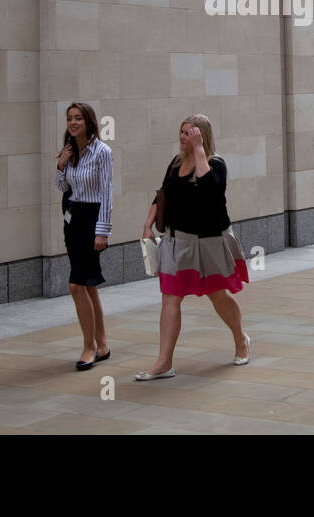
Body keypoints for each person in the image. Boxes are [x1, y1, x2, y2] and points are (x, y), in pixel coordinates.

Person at [136, 114, 249, 380]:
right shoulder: (175, 163)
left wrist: (199, 150)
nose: (183, 136)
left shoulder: (215, 164)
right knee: (170, 297)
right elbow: (162, 195)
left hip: (209, 241)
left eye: (190, 133)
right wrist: (147, 224)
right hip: (177, 241)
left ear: (202, 136)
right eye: (182, 132)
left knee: (217, 295)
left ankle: (241, 339)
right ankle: (164, 363)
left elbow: (211, 192)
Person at [54, 102, 113, 371]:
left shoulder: (102, 152)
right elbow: (63, 187)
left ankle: (89, 347)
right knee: (88, 285)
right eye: (69, 118)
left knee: (76, 286)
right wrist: (61, 165)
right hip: (72, 219)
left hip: (92, 221)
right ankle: (102, 344)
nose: (73, 123)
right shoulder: (70, 152)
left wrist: (102, 230)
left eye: (78, 118)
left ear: (89, 122)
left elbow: (106, 193)